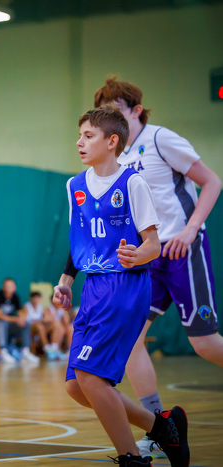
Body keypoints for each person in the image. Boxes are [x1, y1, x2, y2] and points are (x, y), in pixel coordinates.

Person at [53, 105, 189, 467]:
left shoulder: (132, 183)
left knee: (90, 376)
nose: (79, 142)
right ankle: (161, 427)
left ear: (112, 141)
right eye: (79, 135)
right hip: (93, 287)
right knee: (76, 386)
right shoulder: (74, 185)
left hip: (125, 285)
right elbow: (80, 240)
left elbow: (153, 245)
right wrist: (66, 281)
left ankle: (133, 458)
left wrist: (136, 255)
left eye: (88, 136)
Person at [94, 77, 222, 458]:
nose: (110, 115)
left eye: (116, 108)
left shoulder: (161, 139)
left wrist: (191, 228)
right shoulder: (117, 157)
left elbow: (212, 181)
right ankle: (162, 428)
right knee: (131, 341)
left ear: (135, 110)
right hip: (148, 256)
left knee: (204, 344)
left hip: (182, 247)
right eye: (104, 111)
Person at [0, 278, 39, 364]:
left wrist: (21, 319)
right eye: (7, 286)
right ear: (3, 287)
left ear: (15, 287)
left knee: (26, 324)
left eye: (11, 286)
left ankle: (25, 351)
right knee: (3, 323)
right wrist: (15, 319)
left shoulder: (15, 297)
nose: (9, 288)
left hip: (10, 323)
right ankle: (3, 351)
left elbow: (19, 312)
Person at [24, 291, 67, 361]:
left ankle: (54, 348)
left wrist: (43, 320)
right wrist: (40, 321)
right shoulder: (27, 307)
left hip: (41, 327)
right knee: (40, 326)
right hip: (30, 328)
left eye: (38, 298)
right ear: (31, 299)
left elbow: (49, 318)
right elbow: (25, 320)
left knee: (57, 325)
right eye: (34, 298)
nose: (36, 300)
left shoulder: (41, 307)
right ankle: (47, 348)